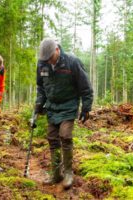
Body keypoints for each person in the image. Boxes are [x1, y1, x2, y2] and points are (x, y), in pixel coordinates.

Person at [34, 38, 93, 189]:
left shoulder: (72, 62)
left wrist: (86, 107)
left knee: (65, 136)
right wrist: (39, 103)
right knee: (52, 138)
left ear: (57, 50)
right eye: (46, 59)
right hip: (52, 107)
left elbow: (85, 87)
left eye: (51, 58)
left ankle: (68, 173)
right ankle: (56, 173)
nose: (49, 62)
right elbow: (41, 87)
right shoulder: (42, 64)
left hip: (69, 105)